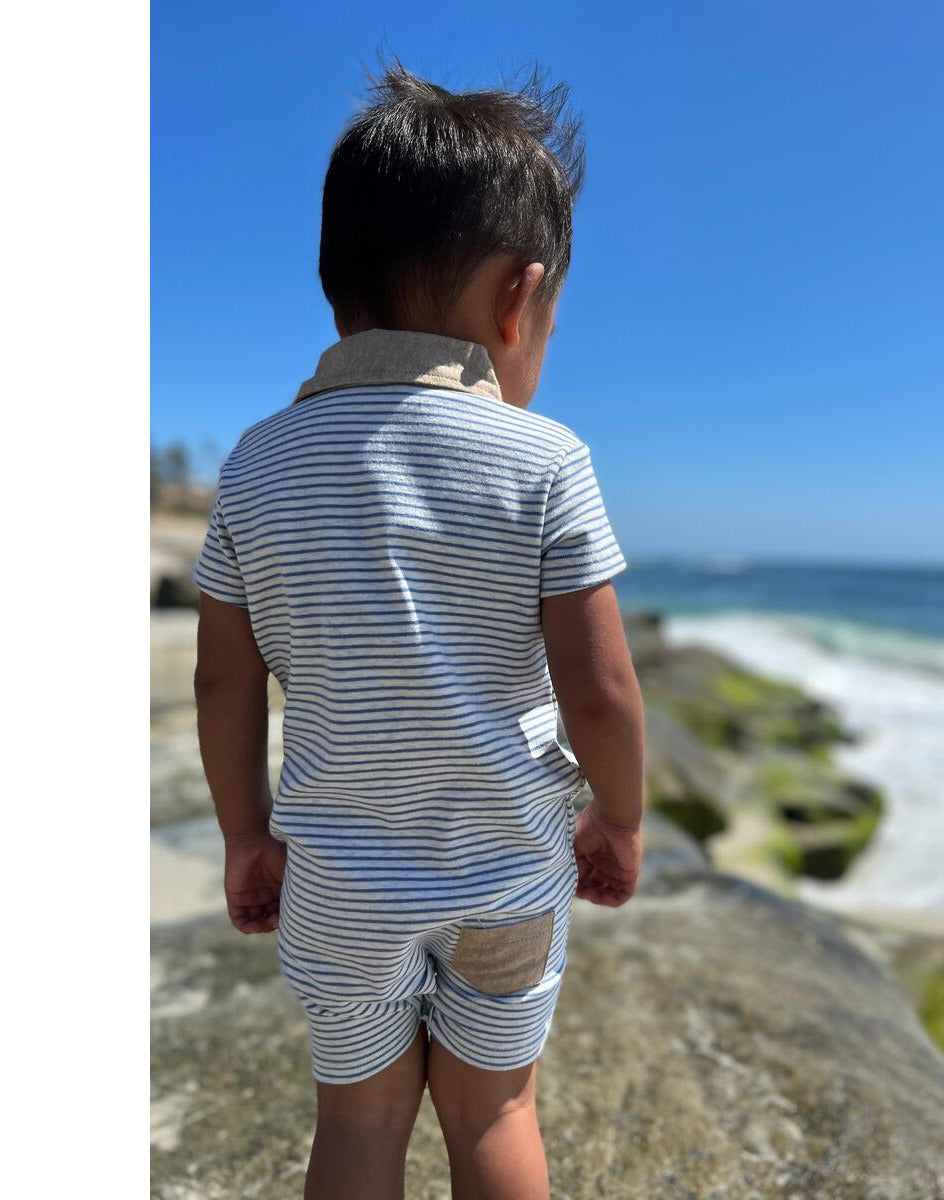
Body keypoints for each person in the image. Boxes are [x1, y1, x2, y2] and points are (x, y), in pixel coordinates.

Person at [191, 58, 645, 1200]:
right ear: (518, 301)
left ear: (338, 290)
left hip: (340, 888)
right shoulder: (546, 461)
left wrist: (247, 836)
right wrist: (620, 817)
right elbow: (600, 690)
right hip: (507, 877)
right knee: (496, 1111)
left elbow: (222, 683)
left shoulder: (257, 464)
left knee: (355, 1122)